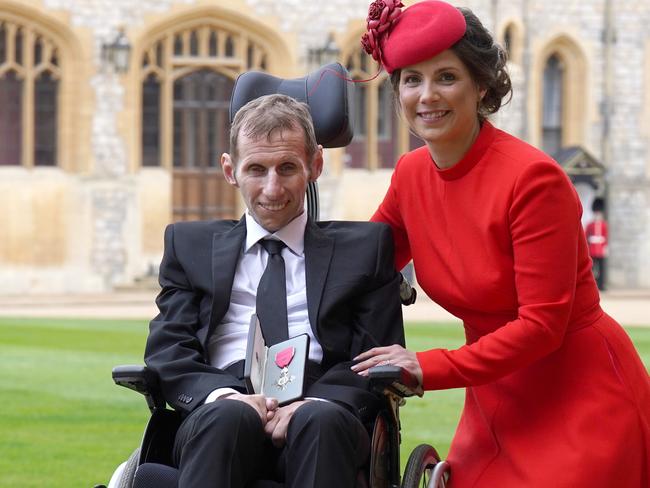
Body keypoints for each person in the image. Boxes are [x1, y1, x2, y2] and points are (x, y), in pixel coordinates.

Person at [352, 1, 650, 487]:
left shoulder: (533, 179)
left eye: (446, 77)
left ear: (482, 85)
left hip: (581, 399)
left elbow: (540, 326)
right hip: (494, 405)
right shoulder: (410, 175)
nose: (427, 95)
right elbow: (362, 262)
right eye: (411, 79)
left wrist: (426, 367)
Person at [144, 93, 404, 488]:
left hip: (325, 406)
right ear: (230, 170)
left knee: (320, 420)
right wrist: (223, 397)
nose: (272, 188)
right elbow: (168, 349)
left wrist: (317, 400)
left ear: (315, 165)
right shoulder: (189, 245)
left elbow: (376, 356)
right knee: (228, 418)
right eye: (256, 169)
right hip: (220, 405)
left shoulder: (366, 249)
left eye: (287, 168)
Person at [585, 197, 608, 290]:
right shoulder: (590, 225)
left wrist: (606, 248)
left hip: (601, 248)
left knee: (601, 269)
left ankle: (601, 285)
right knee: (593, 269)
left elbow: (606, 237)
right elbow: (586, 236)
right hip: (592, 249)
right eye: (596, 213)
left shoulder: (604, 225)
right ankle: (593, 286)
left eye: (599, 214)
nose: (598, 215)